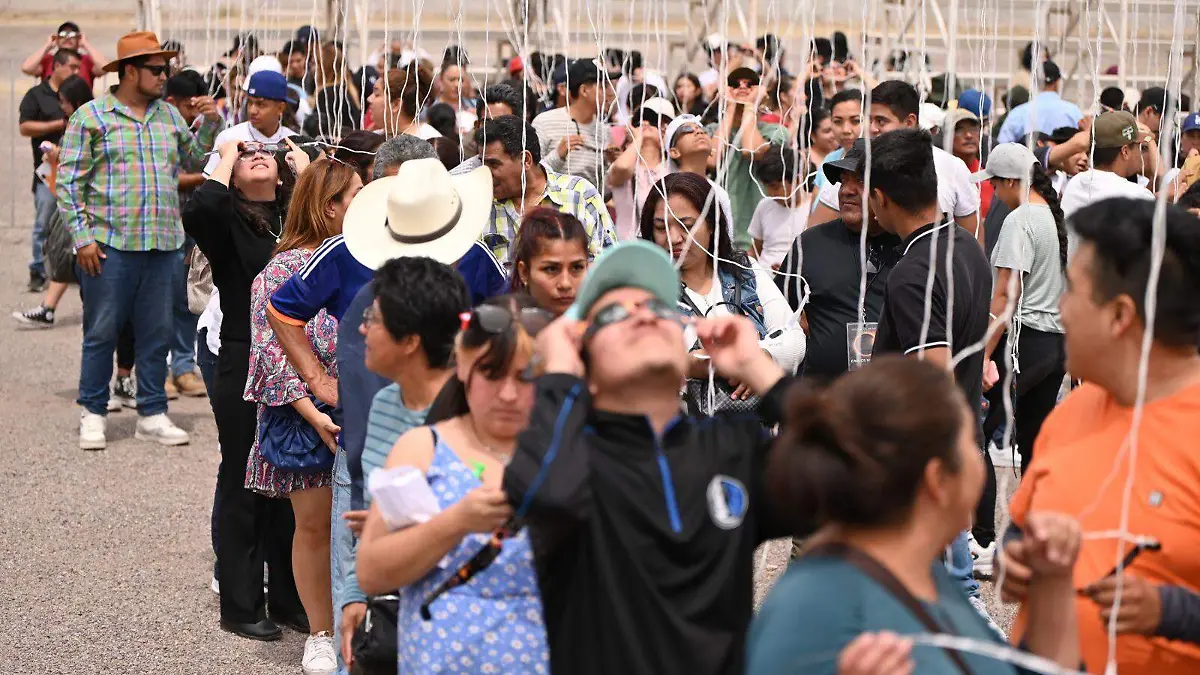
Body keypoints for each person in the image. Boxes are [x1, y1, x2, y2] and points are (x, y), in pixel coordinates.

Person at [500, 239, 796, 674]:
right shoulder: (571, 453)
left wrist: (758, 367)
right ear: (586, 362)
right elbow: (547, 496)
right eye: (617, 314)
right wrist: (560, 375)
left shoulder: (728, 450)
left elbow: (854, 473)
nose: (644, 314)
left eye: (659, 309)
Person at [270, 155, 494, 672]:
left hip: (455, 443)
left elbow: (510, 329)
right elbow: (282, 309)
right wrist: (315, 377)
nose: (368, 328)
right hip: (369, 440)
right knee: (366, 594)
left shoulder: (477, 259)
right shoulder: (345, 253)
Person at [746, 356, 1083, 675]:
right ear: (937, 480)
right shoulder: (821, 612)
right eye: (970, 444)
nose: (979, 463)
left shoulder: (922, 576)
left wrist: (1054, 590)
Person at [1003, 198, 1200, 675]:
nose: (1059, 308)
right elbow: (1021, 527)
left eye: (1071, 290)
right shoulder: (1075, 410)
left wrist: (1172, 613)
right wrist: (1019, 558)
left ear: (1119, 317)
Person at [357, 294, 551, 674]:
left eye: (526, 376)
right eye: (492, 375)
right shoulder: (422, 448)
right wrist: (455, 521)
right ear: (463, 367)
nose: (509, 394)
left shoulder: (568, 451)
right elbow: (372, 570)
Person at [58, 32, 220, 450]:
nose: (164, 76)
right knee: (101, 332)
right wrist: (83, 240)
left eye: (164, 68)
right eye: (156, 69)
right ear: (130, 72)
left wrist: (213, 122)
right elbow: (69, 184)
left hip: (163, 246)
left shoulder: (167, 116)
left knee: (157, 333)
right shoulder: (91, 118)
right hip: (110, 247)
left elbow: (196, 159)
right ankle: (93, 411)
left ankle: (152, 410)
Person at [865, 128, 999, 631]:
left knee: (940, 605)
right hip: (959, 444)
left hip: (925, 462)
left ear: (880, 198)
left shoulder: (914, 272)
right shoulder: (966, 247)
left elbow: (932, 379)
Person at [182, 137, 309, 640]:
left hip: (296, 360)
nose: (259, 154)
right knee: (244, 476)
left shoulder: (295, 219)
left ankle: (288, 596)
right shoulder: (227, 220)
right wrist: (227, 154)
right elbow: (201, 206)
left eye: (268, 152)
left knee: (292, 478)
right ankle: (239, 603)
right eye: (247, 154)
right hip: (242, 352)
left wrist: (305, 168)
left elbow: (343, 210)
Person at [244, 157, 362, 673]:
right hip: (305, 419)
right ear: (328, 205)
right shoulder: (280, 270)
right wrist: (314, 410)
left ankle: (359, 624)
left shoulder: (367, 259)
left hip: (359, 410)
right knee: (313, 527)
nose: (367, 203)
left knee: (363, 526)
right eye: (356, 194)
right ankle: (319, 632)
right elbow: (270, 352)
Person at [337, 256, 471, 670]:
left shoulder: (478, 407)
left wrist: (400, 521)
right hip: (396, 597)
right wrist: (355, 596)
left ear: (410, 340)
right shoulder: (383, 405)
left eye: (372, 319)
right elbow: (376, 515)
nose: (362, 329)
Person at [642, 172, 805, 408]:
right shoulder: (647, 288)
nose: (673, 237)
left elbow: (794, 337)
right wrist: (687, 365)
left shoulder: (744, 270)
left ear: (711, 225)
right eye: (660, 227)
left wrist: (760, 358)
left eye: (686, 226)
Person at [974, 143, 1069, 473]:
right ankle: (1034, 518)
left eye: (995, 184)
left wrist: (983, 353)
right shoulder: (1052, 217)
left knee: (978, 436)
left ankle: (988, 525)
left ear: (1011, 181)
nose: (995, 192)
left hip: (1023, 343)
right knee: (1036, 442)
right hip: (1055, 344)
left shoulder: (1021, 219)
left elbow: (1006, 294)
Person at [774, 139, 901, 377]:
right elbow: (778, 317)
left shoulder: (913, 247)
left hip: (893, 399)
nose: (846, 190)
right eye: (843, 181)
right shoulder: (811, 244)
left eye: (860, 181)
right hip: (821, 400)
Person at [811, 81, 982, 244]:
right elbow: (815, 236)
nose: (872, 128)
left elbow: (971, 240)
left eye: (881, 121)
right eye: (869, 120)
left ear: (909, 122)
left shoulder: (952, 168)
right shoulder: (851, 166)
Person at [475, 115, 615, 268]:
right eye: (483, 164)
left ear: (525, 160)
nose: (486, 173)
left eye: (493, 164)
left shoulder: (580, 194)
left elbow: (608, 261)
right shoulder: (482, 208)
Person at [12, 74, 93, 328]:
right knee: (66, 254)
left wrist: (60, 159)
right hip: (70, 199)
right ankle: (49, 308)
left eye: (64, 102)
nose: (61, 107)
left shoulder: (89, 123)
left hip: (86, 204)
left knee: (75, 255)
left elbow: (87, 166)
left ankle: (55, 308)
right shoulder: (75, 121)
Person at [18, 47, 80, 293]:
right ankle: (37, 269)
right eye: (72, 66)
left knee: (70, 224)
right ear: (56, 66)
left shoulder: (78, 91)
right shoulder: (36, 95)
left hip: (74, 176)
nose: (76, 71)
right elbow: (25, 127)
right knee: (43, 224)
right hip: (47, 175)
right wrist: (57, 124)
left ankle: (66, 268)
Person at [713, 66, 791, 248]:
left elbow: (752, 150)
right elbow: (713, 158)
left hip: (759, 240)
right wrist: (730, 106)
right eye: (734, 84)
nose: (742, 87)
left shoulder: (776, 131)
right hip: (720, 234)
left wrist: (750, 106)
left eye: (750, 84)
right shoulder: (714, 130)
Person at [531, 58, 617, 193]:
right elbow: (529, 174)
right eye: (603, 87)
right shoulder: (544, 123)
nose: (610, 93)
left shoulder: (604, 131)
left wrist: (612, 165)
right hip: (549, 211)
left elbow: (600, 191)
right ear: (584, 91)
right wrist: (558, 155)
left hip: (586, 212)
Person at [1060, 111, 1154, 216]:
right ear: (1125, 151)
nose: (1139, 153)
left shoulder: (1075, 183)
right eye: (1139, 147)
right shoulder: (1138, 197)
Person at [204, 70, 297, 175]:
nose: (252, 111)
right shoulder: (230, 138)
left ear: (280, 108)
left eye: (261, 104)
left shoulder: (293, 142)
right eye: (250, 102)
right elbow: (211, 184)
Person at [609, 98, 675, 240]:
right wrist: (638, 139)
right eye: (638, 123)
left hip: (666, 249)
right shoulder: (625, 166)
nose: (645, 124)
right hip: (629, 250)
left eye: (653, 123)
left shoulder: (672, 168)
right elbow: (622, 167)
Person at [509, 207, 591, 316]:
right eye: (551, 269)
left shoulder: (604, 326)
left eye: (577, 267)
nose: (565, 284)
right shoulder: (507, 329)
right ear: (524, 272)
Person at [662, 114, 736, 223]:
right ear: (674, 152)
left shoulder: (719, 193)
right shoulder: (665, 189)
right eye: (687, 130)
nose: (699, 132)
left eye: (703, 130)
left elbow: (727, 237)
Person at [748, 147, 810, 269]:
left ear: (796, 180)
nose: (770, 193)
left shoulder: (813, 208)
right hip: (765, 279)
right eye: (767, 187)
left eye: (775, 187)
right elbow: (755, 250)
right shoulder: (764, 205)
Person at [996, 61, 1083, 144]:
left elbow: (1002, 148)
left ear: (1034, 82)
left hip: (1027, 158)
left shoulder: (1018, 113)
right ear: (1057, 82)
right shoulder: (1073, 112)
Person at [943, 109, 994, 221]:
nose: (969, 135)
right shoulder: (941, 180)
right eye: (959, 130)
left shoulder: (992, 181)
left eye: (973, 129)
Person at [366, 62, 438, 139]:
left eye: (377, 94)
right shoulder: (376, 136)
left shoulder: (428, 140)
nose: (369, 99)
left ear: (396, 104)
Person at [811, 90, 864, 193]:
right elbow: (814, 206)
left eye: (856, 121)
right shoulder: (830, 159)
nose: (846, 130)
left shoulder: (876, 163)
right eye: (838, 122)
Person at [20, 21, 105, 85]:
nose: (67, 38)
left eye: (72, 35)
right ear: (57, 39)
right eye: (63, 35)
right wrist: (47, 46)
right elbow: (26, 68)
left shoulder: (86, 60)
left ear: (79, 39)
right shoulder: (48, 59)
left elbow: (105, 67)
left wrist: (85, 44)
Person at [308, 42, 360, 139]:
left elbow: (319, 130)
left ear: (324, 66)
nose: (312, 68)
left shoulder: (329, 93)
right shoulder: (348, 88)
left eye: (315, 63)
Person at [435, 60, 477, 133]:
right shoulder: (428, 109)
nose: (457, 84)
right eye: (452, 80)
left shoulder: (476, 106)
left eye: (461, 80)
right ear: (440, 81)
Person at [802, 106, 839, 180]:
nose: (834, 134)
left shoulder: (844, 154)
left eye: (835, 128)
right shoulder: (803, 159)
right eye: (827, 131)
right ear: (812, 135)